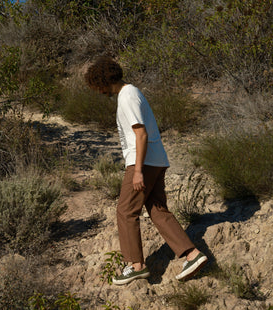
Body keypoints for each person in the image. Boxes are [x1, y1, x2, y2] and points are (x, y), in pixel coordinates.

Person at [85, 56, 207, 285]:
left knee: (125, 211)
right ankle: (193, 255)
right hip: (156, 159)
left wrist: (138, 170)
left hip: (143, 162)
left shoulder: (127, 96)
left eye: (96, 86)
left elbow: (140, 134)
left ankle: (135, 265)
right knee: (158, 210)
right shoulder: (132, 93)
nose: (98, 92)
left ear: (102, 81)